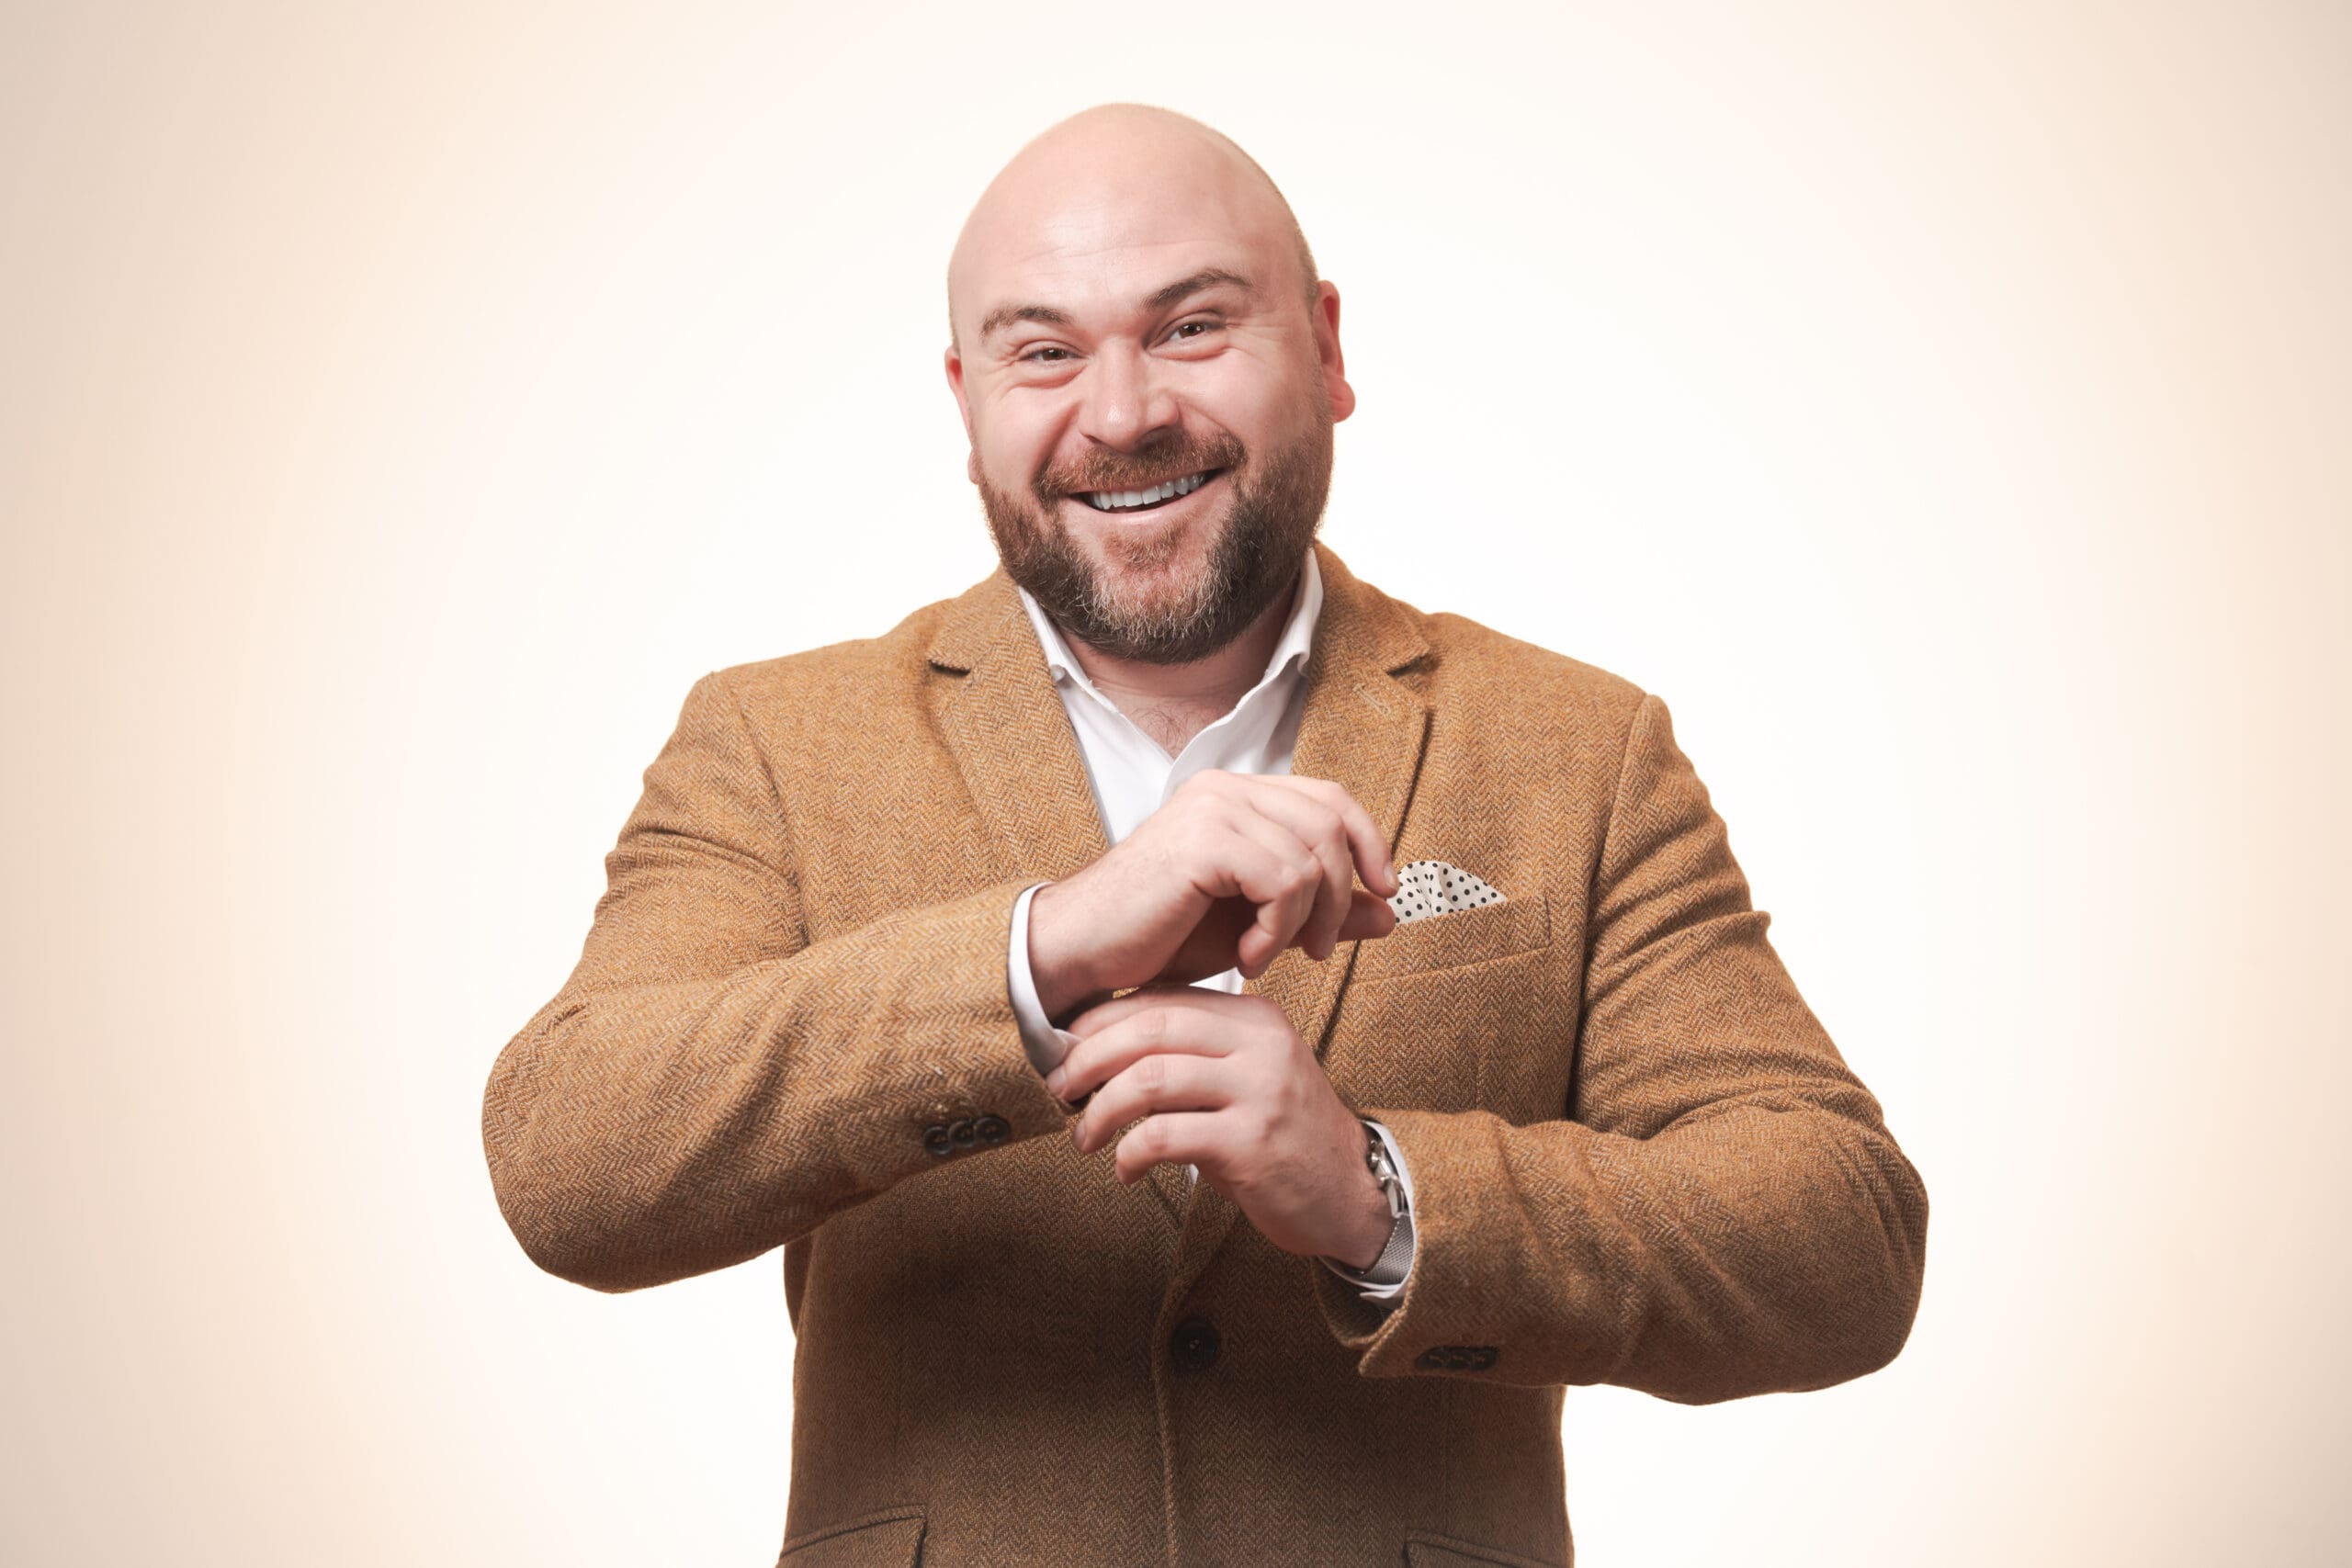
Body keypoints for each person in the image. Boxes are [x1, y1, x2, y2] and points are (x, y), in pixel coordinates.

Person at [481, 103, 1928, 1568]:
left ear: (1328, 347)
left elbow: (1841, 1240)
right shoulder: (777, 742)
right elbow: (570, 1157)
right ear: (966, 394)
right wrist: (1033, 960)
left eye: (1190, 327)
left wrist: (1375, 1193)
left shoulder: (1579, 749)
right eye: (1043, 350)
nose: (1120, 414)